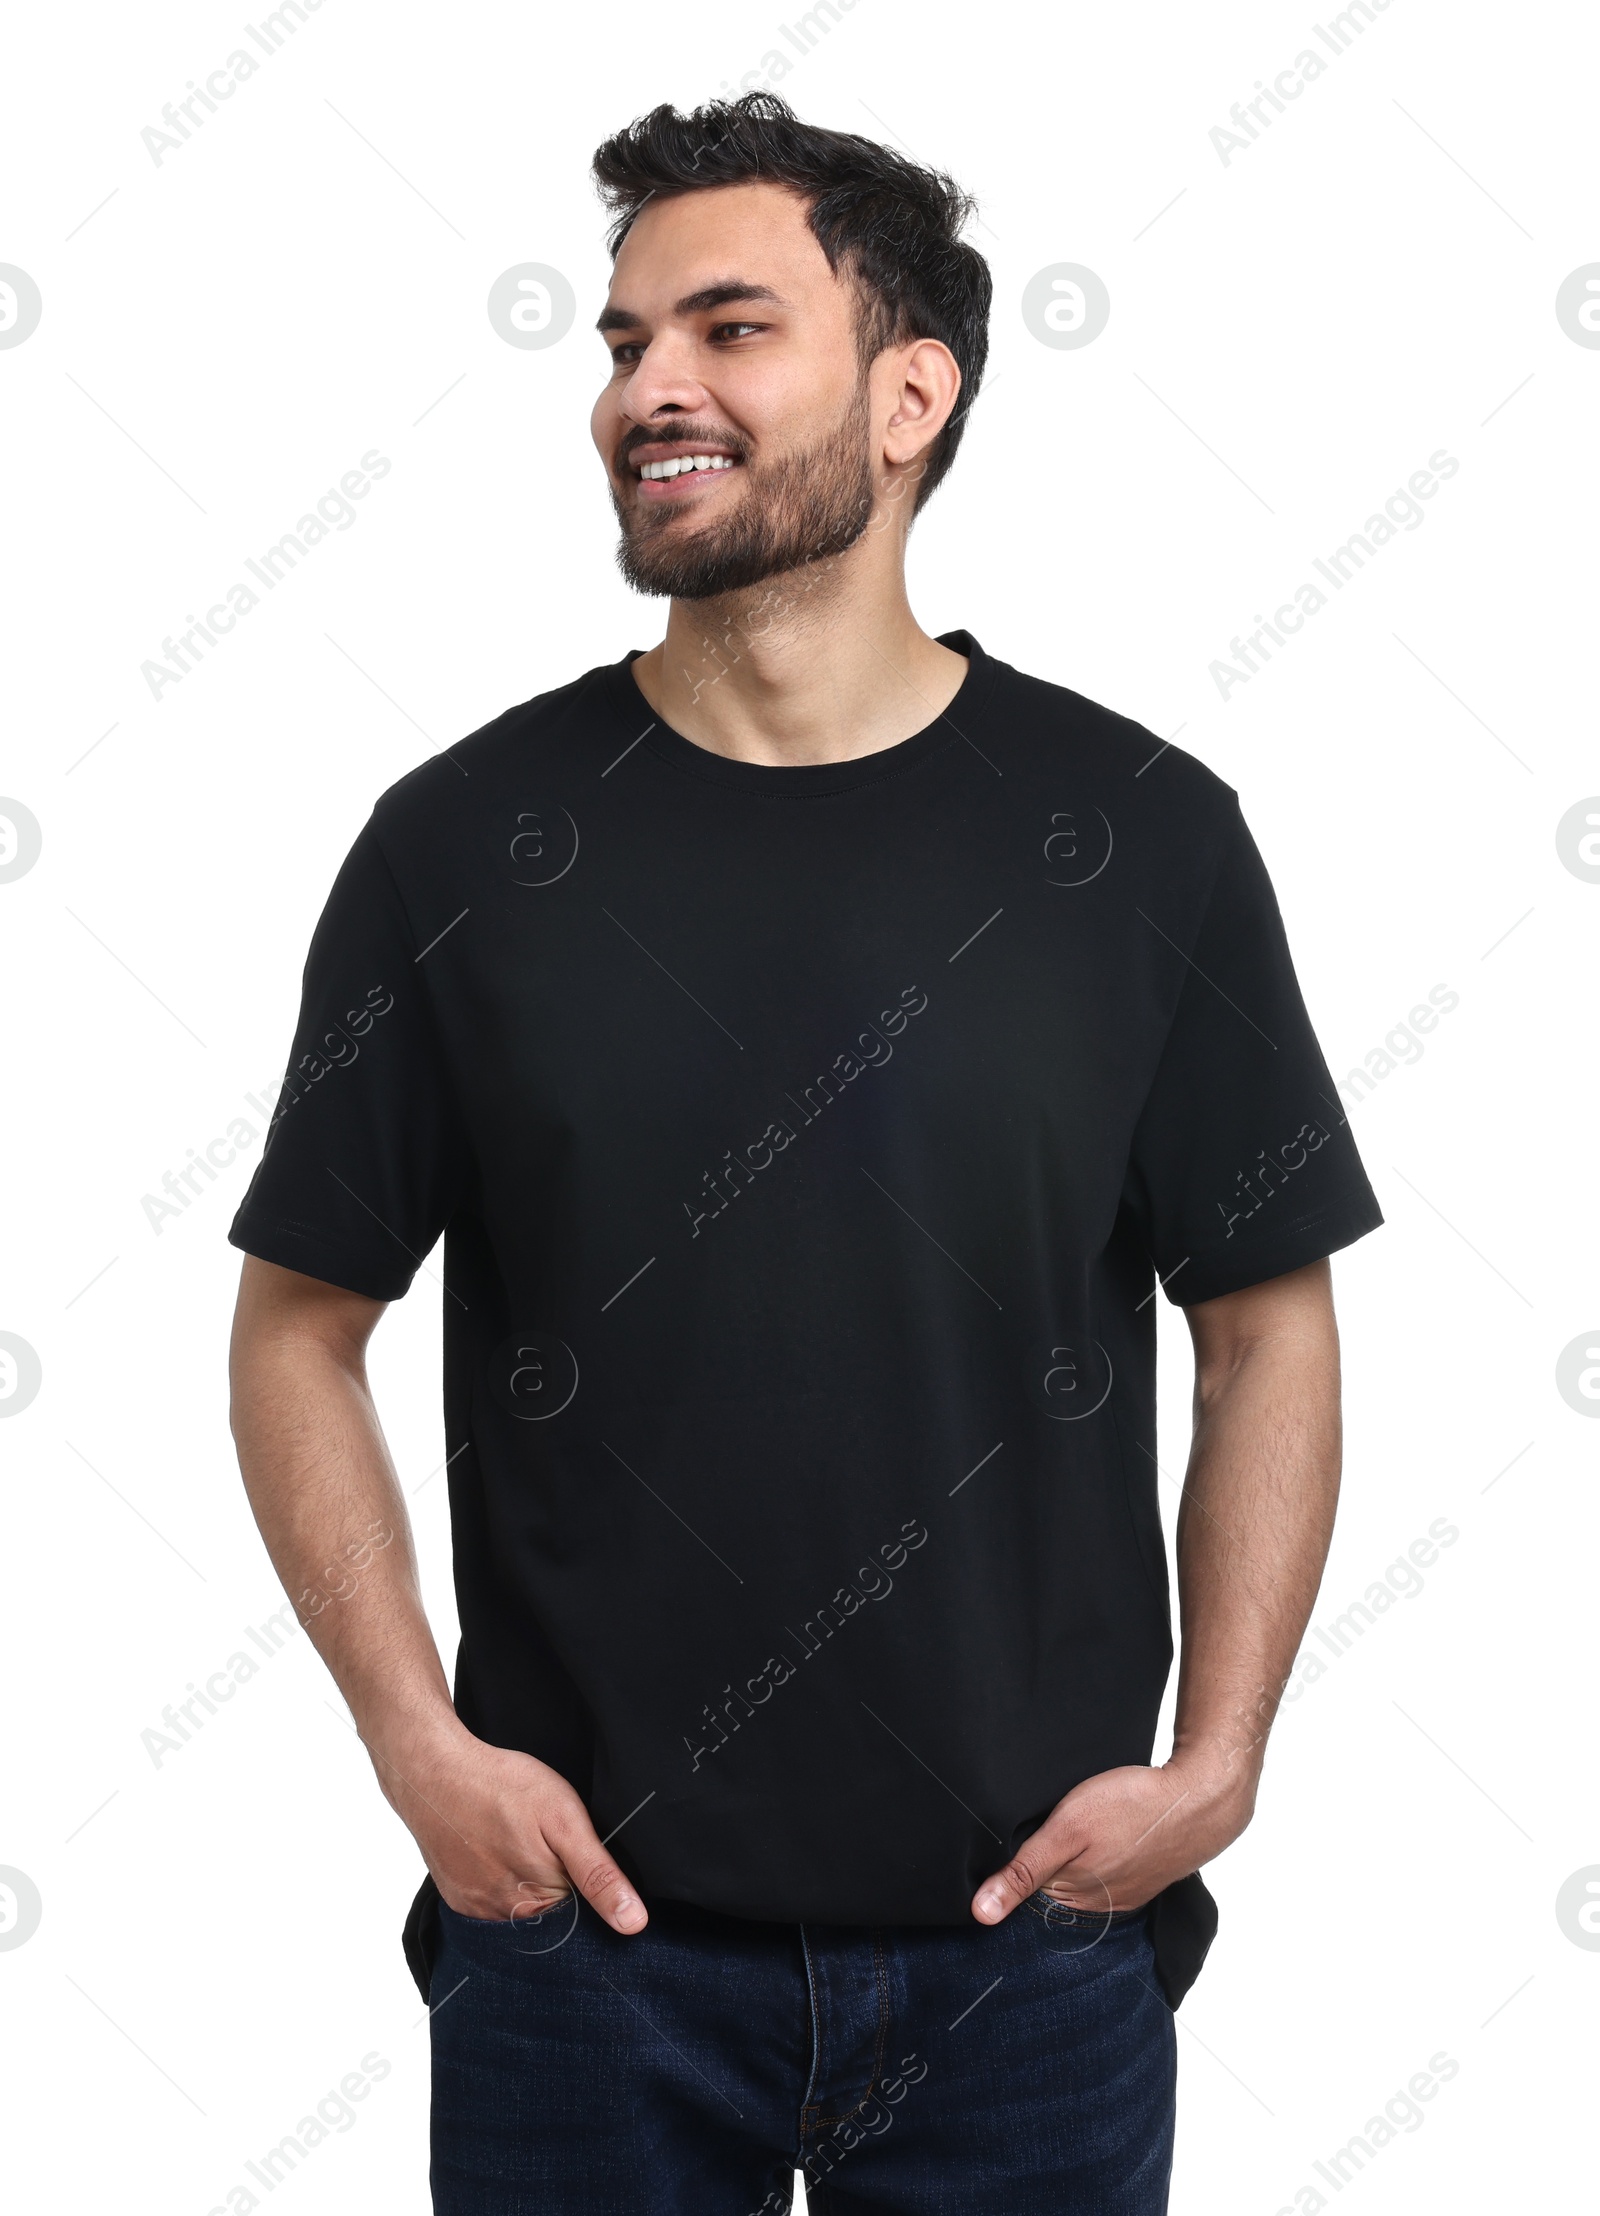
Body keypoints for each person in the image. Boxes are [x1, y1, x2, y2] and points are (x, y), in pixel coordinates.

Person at [227, 92, 1383, 2215]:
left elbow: (1263, 1326)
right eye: (617, 341)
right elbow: (297, 1327)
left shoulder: (1134, 840)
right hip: (580, 1958)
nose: (644, 388)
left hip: (1024, 1959)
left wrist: (1212, 1765)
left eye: (727, 328)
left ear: (909, 392)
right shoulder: (463, 847)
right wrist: (417, 1746)